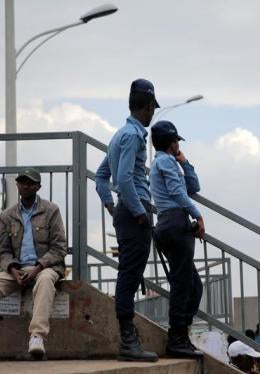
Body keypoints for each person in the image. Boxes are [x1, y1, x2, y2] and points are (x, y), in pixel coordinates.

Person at [95, 78, 159, 362]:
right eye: (152, 108)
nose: (152, 113)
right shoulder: (133, 135)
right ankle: (128, 342)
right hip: (134, 213)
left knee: (129, 275)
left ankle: (129, 339)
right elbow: (122, 178)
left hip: (126, 211)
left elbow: (101, 177)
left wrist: (111, 205)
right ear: (146, 107)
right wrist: (138, 212)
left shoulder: (118, 135)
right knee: (129, 276)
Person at [150, 120, 205, 358]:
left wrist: (185, 162)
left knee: (193, 286)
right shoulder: (164, 161)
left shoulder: (170, 162)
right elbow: (177, 192)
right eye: (176, 142)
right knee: (183, 286)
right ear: (170, 142)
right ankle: (176, 338)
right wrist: (197, 215)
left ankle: (181, 334)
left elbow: (194, 186)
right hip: (175, 223)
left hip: (171, 223)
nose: (178, 145)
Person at [0, 168, 67, 358]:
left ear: (38, 186)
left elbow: (59, 247)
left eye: (30, 183)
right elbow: (3, 251)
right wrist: (14, 271)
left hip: (45, 268)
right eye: (22, 182)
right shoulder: (7, 215)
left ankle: (37, 336)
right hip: (17, 270)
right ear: (17, 185)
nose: (26, 186)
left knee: (45, 281)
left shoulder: (51, 210)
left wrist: (38, 267)